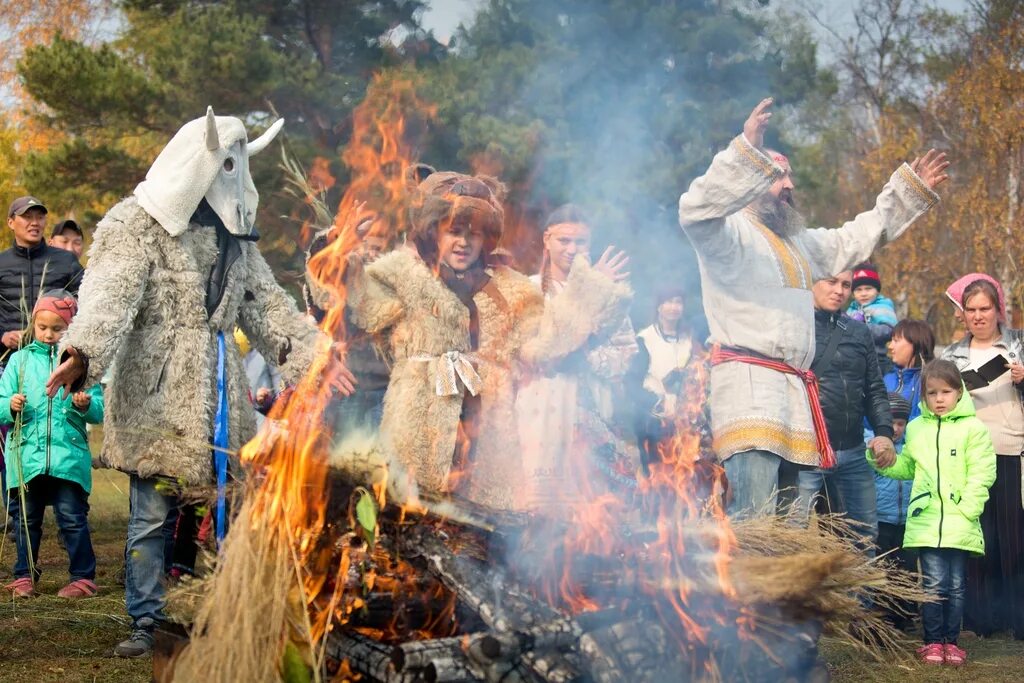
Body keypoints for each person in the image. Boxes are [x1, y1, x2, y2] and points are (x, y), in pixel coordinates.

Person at [45, 108, 330, 657]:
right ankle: (147, 621)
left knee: (234, 507)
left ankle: (226, 609)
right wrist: (82, 351)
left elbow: (265, 305)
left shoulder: (236, 239)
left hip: (223, 392)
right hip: (159, 395)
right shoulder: (136, 224)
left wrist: (312, 359)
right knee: (152, 516)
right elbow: (111, 294)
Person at [678, 97, 948, 516]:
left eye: (790, 177)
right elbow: (693, 210)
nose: (788, 185)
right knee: (754, 524)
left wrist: (906, 192)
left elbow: (854, 238)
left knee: (793, 532)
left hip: (797, 399)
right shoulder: (727, 235)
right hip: (750, 391)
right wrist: (746, 151)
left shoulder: (799, 243)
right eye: (776, 176)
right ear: (751, 179)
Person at [345, 172, 630, 512]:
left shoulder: (512, 288)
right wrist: (337, 253)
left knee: (481, 532)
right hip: (417, 418)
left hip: (488, 426)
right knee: (406, 521)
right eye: (453, 231)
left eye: (474, 234)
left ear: (486, 239)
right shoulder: (404, 273)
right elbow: (358, 305)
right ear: (435, 233)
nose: (463, 242)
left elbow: (544, 344)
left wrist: (587, 292)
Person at [869, 360, 997, 666]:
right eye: (931, 393)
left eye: (946, 391)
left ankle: (951, 642)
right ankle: (932, 642)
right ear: (924, 397)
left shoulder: (974, 429)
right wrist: (881, 459)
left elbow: (983, 473)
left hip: (960, 521)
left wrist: (968, 508)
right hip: (926, 521)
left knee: (955, 585)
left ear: (959, 392)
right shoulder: (916, 429)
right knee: (933, 584)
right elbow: (907, 467)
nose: (939, 399)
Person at [515, 204, 637, 510]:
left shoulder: (609, 292)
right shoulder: (528, 288)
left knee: (593, 514)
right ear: (546, 239)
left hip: (594, 406)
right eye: (564, 241)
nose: (572, 249)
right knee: (540, 508)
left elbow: (626, 351)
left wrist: (590, 359)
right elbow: (537, 347)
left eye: (580, 242)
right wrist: (588, 286)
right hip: (542, 407)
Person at [1, 291, 104, 598]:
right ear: (33, 324)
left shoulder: (82, 364)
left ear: (71, 328)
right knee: (25, 519)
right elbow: (1, 400)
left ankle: (83, 577)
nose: (48, 334)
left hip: (67, 456)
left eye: (57, 328)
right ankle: (24, 575)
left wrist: (84, 404)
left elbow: (100, 409)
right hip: (27, 455)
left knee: (71, 518)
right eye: (42, 327)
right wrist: (10, 406)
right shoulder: (18, 360)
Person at [940, 276, 1024, 640]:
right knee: (976, 538)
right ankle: (979, 621)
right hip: (969, 456)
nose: (977, 316)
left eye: (984, 309)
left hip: (1011, 449)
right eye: (970, 310)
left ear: (997, 309)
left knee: (1014, 538)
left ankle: (1018, 619)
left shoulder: (1020, 345)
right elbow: (936, 404)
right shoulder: (949, 355)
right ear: (962, 314)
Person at [797, 271, 892, 550]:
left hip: (853, 450)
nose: (839, 290)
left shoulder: (859, 331)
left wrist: (884, 432)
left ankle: (859, 597)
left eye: (846, 285)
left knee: (863, 539)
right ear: (811, 282)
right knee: (792, 536)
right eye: (831, 281)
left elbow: (874, 388)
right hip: (805, 452)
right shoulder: (792, 328)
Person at [1, 197, 84, 361]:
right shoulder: (2, 262)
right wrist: (2, 335)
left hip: (57, 359)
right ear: (11, 222)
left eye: (39, 217)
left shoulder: (66, 261)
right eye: (27, 217)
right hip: (7, 360)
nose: (34, 222)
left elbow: (86, 301)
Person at [631, 287, 697, 469]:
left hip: (683, 423)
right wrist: (654, 401)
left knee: (684, 477)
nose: (673, 307)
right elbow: (630, 383)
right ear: (659, 306)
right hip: (653, 422)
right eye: (668, 301)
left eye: (678, 302)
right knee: (656, 476)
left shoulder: (688, 339)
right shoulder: (645, 339)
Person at [870, 392, 917, 629]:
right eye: (891, 423)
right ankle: (883, 613)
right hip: (882, 517)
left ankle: (906, 613)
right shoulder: (873, 447)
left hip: (908, 519)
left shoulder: (912, 447)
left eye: (901, 423)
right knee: (884, 567)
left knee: (906, 567)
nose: (896, 429)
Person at [846, 263, 898, 374]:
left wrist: (864, 328)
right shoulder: (852, 309)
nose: (863, 293)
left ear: (877, 290)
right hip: (853, 358)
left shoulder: (882, 307)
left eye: (868, 289)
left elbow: (889, 330)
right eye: (858, 290)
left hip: (877, 358)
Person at [884, 319, 935, 421]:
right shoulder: (887, 378)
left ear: (916, 343)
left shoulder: (929, 382)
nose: (890, 346)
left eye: (896, 341)